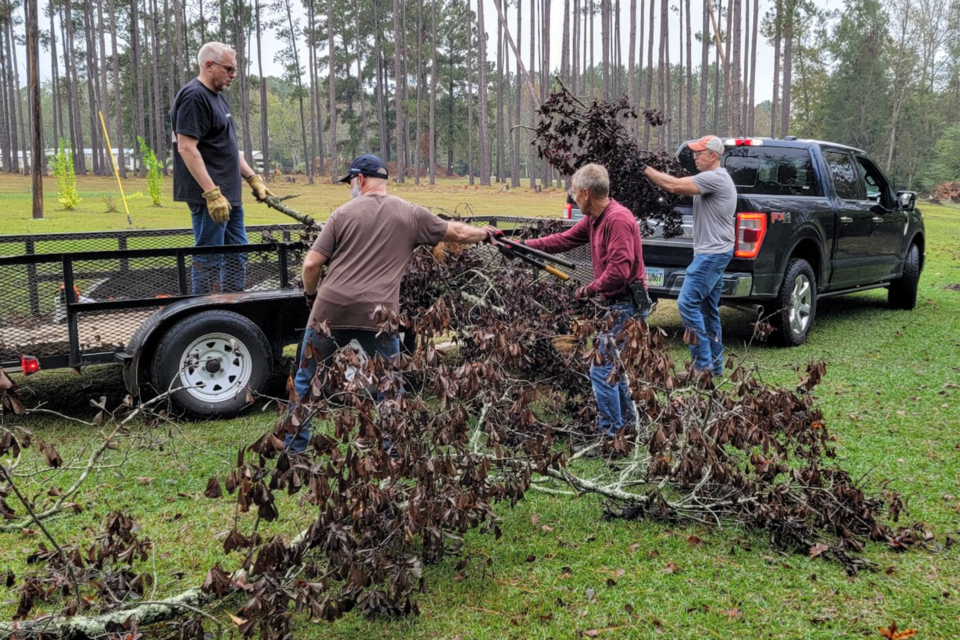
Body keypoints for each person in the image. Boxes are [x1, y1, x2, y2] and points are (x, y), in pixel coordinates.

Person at [284, 154, 496, 453]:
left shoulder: (342, 214)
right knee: (389, 383)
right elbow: (459, 233)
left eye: (350, 183)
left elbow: (311, 265)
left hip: (330, 310)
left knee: (306, 379)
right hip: (378, 314)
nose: (349, 189)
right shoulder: (409, 213)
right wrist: (487, 234)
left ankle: (294, 451)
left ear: (360, 180)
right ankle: (393, 450)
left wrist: (310, 296)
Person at [523, 163, 648, 437]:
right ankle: (629, 427)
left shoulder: (617, 220)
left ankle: (612, 434)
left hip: (626, 305)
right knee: (613, 367)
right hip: (616, 304)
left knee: (601, 367)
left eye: (574, 191)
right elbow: (563, 240)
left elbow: (619, 272)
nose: (573, 196)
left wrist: (586, 290)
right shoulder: (595, 218)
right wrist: (522, 245)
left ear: (586, 193)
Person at [171, 41, 276, 294]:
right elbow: (186, 147)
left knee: (237, 254)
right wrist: (212, 193)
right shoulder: (195, 96)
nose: (233, 75)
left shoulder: (216, 98)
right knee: (210, 258)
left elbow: (227, 148)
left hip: (229, 195)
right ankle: (203, 314)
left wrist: (253, 179)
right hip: (211, 198)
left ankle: (232, 305)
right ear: (209, 65)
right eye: (228, 69)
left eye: (234, 70)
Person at [641, 134, 736, 377]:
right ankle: (714, 367)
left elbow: (672, 186)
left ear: (713, 156)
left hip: (711, 255)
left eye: (699, 153)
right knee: (707, 309)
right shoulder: (714, 178)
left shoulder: (714, 178)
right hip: (717, 251)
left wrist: (644, 169)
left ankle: (701, 365)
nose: (694, 156)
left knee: (687, 302)